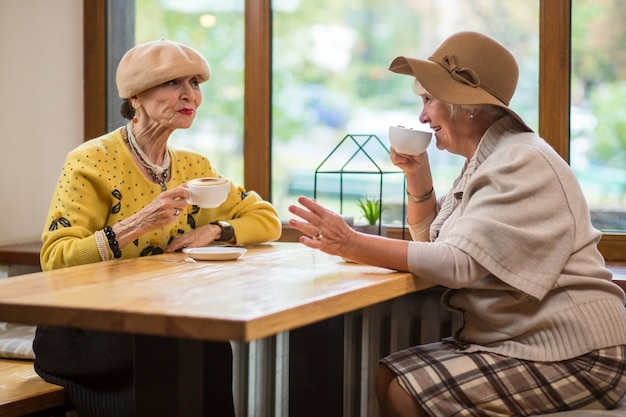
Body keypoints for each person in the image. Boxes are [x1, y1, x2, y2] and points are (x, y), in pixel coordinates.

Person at [288, 31, 626, 416]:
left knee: (405, 390)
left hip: (579, 352)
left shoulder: (519, 160)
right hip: (531, 341)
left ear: (466, 103)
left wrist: (351, 242)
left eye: (428, 99)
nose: (421, 116)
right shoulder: (490, 158)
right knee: (389, 375)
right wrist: (418, 178)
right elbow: (436, 245)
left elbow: (458, 265)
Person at [34, 39, 282, 417]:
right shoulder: (90, 160)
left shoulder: (193, 165)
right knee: (172, 349)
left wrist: (215, 229)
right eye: (172, 83)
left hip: (162, 322)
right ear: (135, 97)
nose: (190, 96)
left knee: (209, 343)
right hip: (88, 331)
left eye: (195, 83)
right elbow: (55, 259)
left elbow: (266, 218)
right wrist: (135, 224)